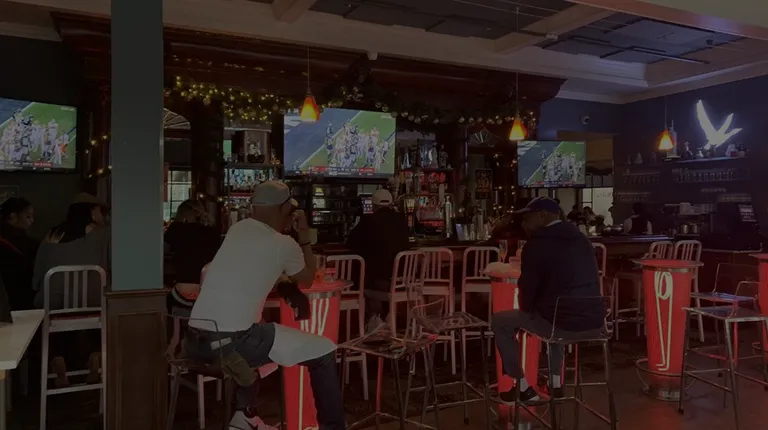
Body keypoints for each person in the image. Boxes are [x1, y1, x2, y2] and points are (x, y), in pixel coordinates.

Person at [188, 181, 345, 430]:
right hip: (232, 343)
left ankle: (246, 415)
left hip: (195, 341)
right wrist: (304, 235)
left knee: (268, 344)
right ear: (284, 209)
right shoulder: (284, 244)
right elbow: (308, 278)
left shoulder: (237, 229)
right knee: (323, 351)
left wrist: (282, 283)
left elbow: (250, 269)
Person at [490, 197, 604, 403]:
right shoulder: (582, 239)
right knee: (555, 312)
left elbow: (526, 295)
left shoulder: (535, 246)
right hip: (596, 322)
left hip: (560, 323)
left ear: (542, 216)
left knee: (500, 321)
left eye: (527, 219)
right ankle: (555, 384)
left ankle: (522, 387)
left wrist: (529, 310)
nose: (523, 224)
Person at [32, 192, 110, 387]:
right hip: (92, 305)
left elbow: (37, 277)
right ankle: (95, 355)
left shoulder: (51, 235)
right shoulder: (105, 234)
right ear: (92, 211)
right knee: (102, 307)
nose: (103, 215)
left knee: (53, 316)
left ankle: (58, 360)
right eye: (101, 211)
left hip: (53, 304)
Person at [346, 188, 410, 331]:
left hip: (379, 283)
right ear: (391, 204)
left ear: (374, 206)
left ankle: (374, 319)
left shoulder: (368, 221)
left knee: (361, 276)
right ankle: (384, 318)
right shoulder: (402, 220)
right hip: (401, 282)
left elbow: (350, 243)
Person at [164, 199, 221, 315]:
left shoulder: (176, 229)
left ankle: (176, 324)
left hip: (181, 287)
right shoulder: (213, 231)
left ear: (182, 213)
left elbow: (163, 251)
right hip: (207, 288)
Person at [0, 197, 38, 310]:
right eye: (28, 216)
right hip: (18, 298)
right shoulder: (21, 242)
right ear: (13, 216)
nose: (32, 221)